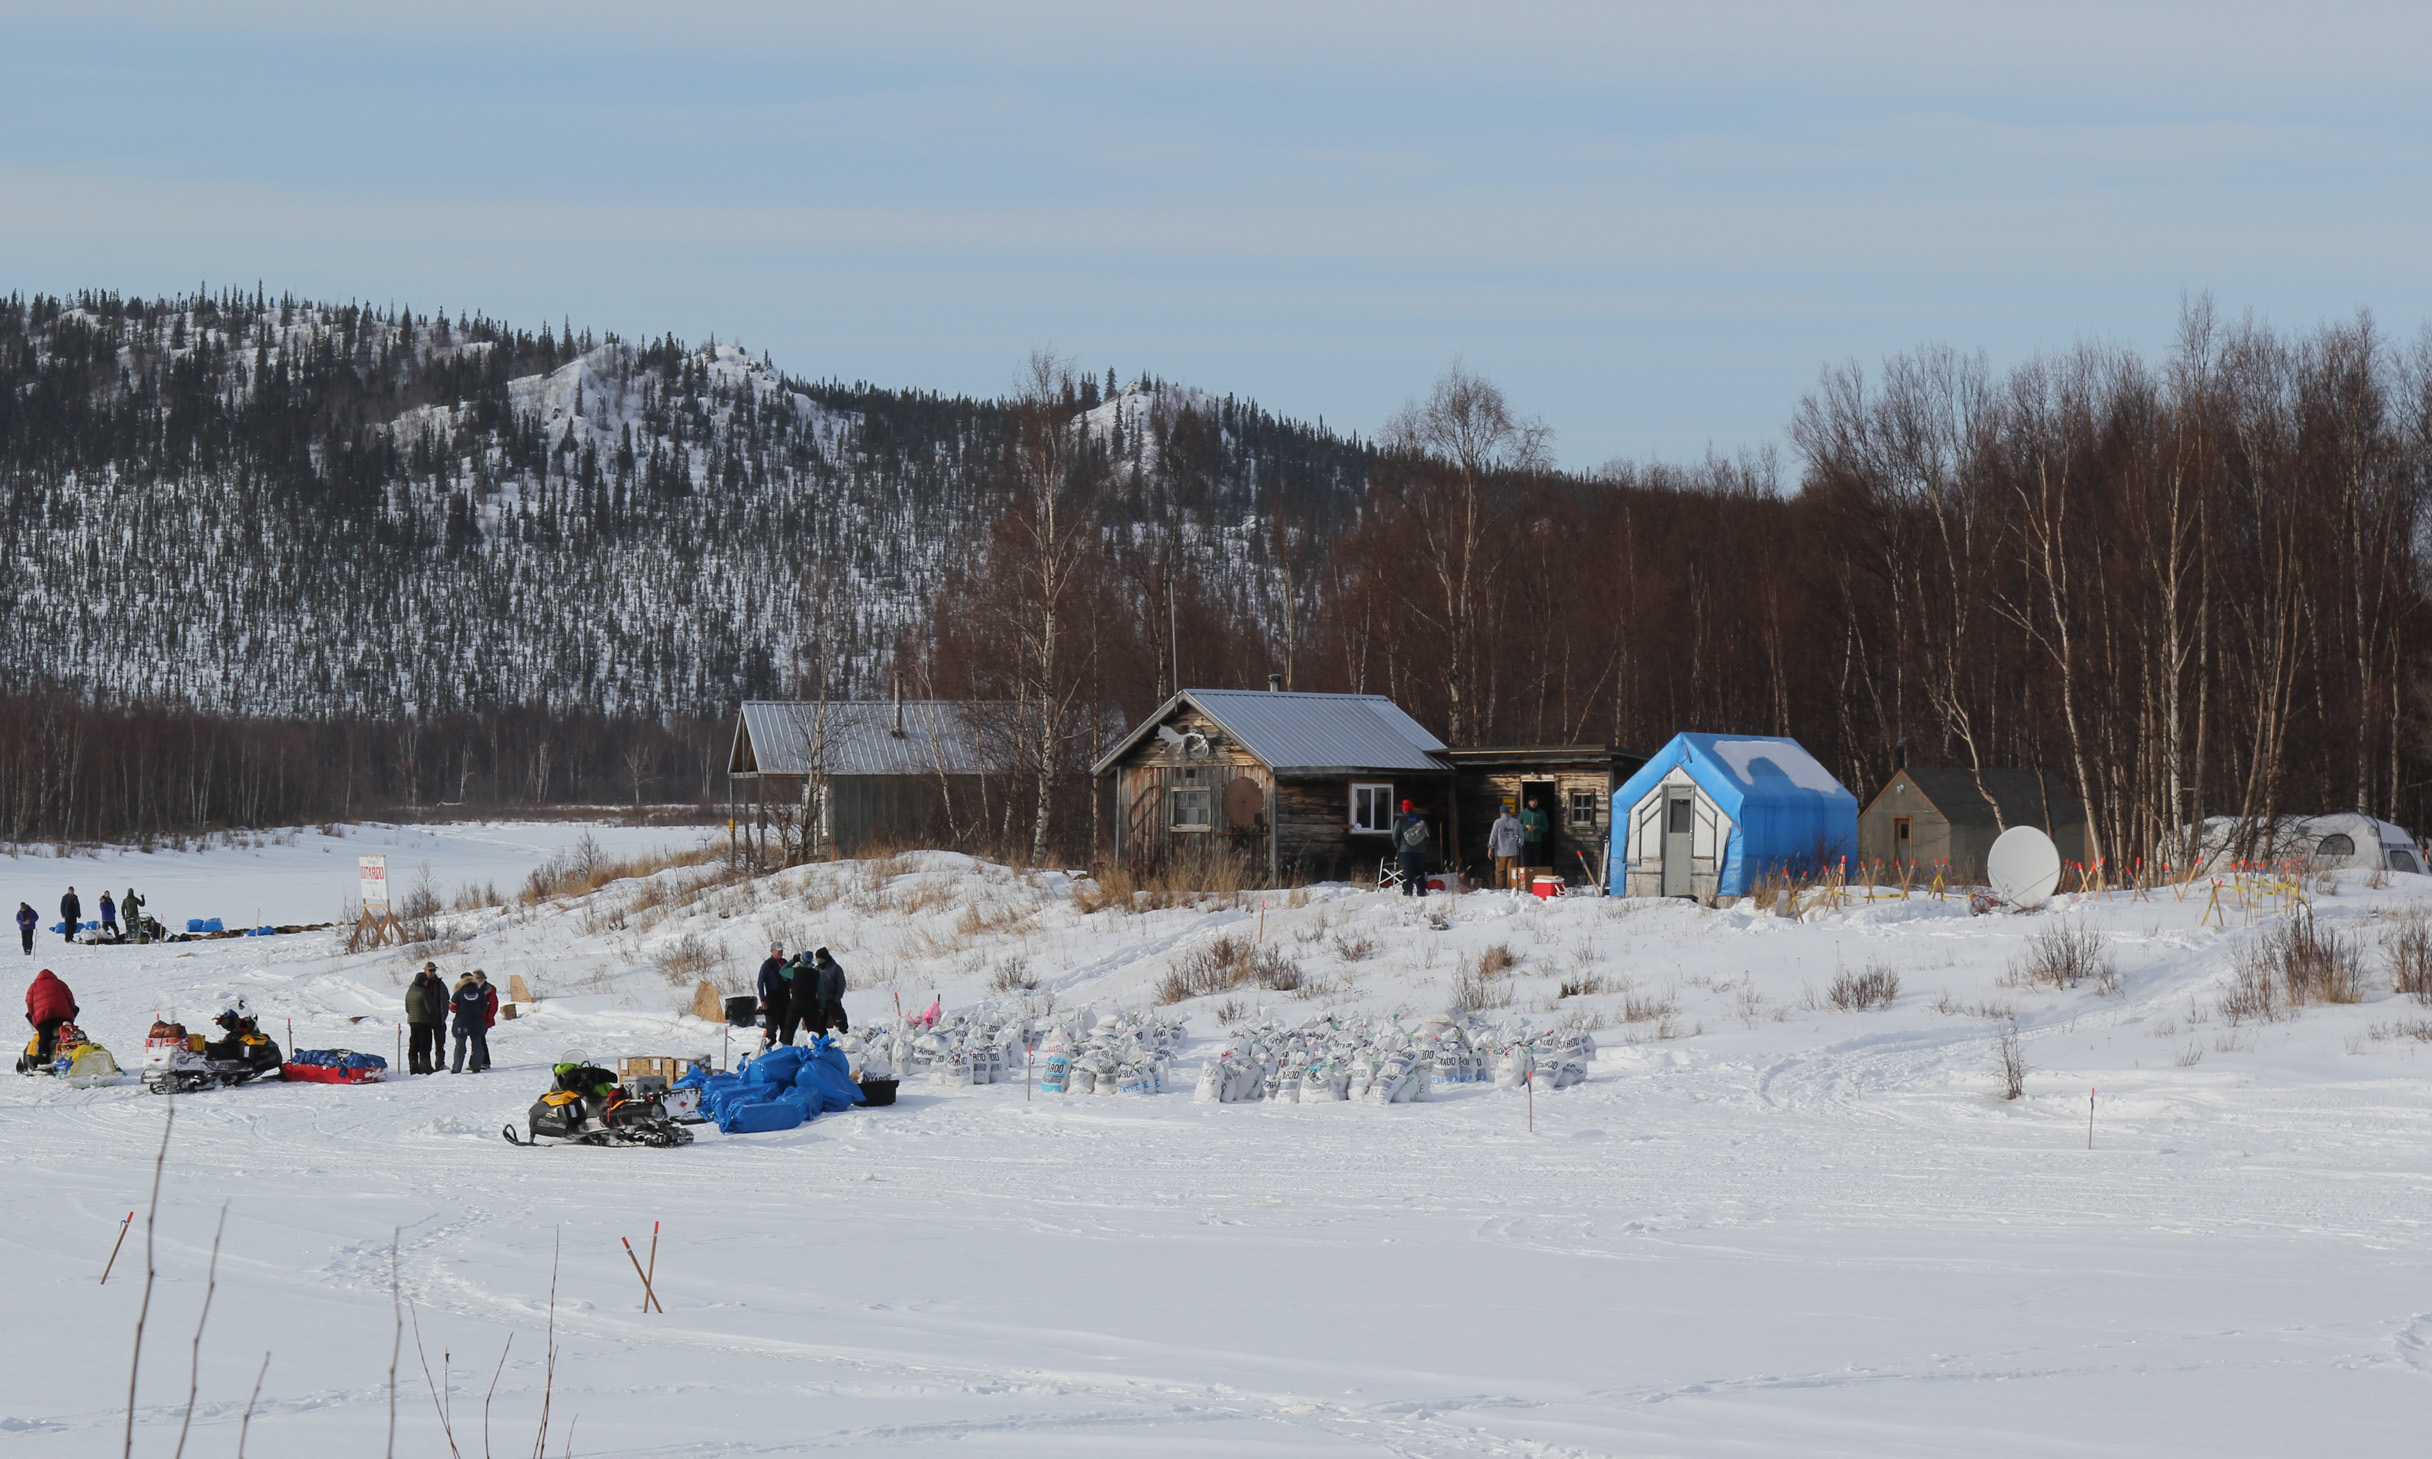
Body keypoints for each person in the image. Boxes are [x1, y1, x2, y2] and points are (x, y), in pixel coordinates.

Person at [24, 968, 76, 1064]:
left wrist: (32, 1015)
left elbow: (29, 1002)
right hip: (63, 1015)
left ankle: (44, 1059)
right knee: (68, 1034)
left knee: (44, 1037)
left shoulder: (34, 986)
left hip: (44, 1018)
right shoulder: (60, 983)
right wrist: (72, 1011)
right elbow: (70, 998)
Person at [404, 962, 447, 1074]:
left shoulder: (439, 983)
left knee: (439, 1040)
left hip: (436, 1017)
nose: (432, 972)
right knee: (422, 1043)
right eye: (430, 970)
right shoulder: (418, 987)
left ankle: (439, 1063)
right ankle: (424, 1066)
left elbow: (444, 999)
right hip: (424, 1019)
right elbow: (426, 1006)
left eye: (434, 970)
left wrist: (442, 1015)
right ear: (425, 971)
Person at [448, 971, 492, 1073]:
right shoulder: (479, 992)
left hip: (461, 1022)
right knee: (477, 1045)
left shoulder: (459, 992)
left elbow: (453, 1008)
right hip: (477, 1022)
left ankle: (456, 1068)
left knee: (460, 1045)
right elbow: (485, 1006)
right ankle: (476, 1067)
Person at [756, 943, 793, 1047]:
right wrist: (763, 1000)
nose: (780, 952)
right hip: (772, 1000)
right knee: (771, 1029)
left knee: (786, 1027)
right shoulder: (767, 965)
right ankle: (769, 1049)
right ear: (772, 951)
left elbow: (791, 979)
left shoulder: (785, 963)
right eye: (778, 950)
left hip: (785, 999)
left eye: (781, 950)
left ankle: (782, 1047)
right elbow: (760, 983)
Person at [1394, 799, 1432, 897]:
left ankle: (1407, 891)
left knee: (1407, 870)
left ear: (1404, 809)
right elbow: (1427, 834)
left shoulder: (1400, 821)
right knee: (1419, 870)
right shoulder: (1420, 820)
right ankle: (1421, 891)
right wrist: (1423, 846)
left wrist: (1399, 846)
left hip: (1405, 850)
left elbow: (1395, 836)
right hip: (1420, 851)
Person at [811, 947, 849, 1035]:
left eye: (818, 958)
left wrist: (837, 998)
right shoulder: (816, 969)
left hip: (832, 1000)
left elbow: (841, 984)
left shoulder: (835, 968)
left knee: (840, 1019)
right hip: (820, 1001)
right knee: (820, 1022)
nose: (817, 960)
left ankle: (844, 1033)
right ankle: (822, 1038)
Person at [1488, 803, 1526, 890]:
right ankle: (1511, 889)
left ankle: (1499, 889)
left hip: (1500, 851)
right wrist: (1519, 845)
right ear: (1509, 812)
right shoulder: (1516, 822)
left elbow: (1493, 836)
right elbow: (1521, 836)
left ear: (1501, 813)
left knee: (1500, 872)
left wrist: (1490, 847)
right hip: (1513, 851)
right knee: (1512, 872)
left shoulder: (1497, 822)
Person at [1519, 796, 1550, 871]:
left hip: (1537, 842)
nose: (1534, 803)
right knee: (1527, 862)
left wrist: (1537, 828)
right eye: (1532, 801)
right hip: (1526, 842)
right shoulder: (1524, 812)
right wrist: (1525, 826)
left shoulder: (1541, 813)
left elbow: (1546, 827)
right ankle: (1527, 880)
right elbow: (1517, 825)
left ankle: (1536, 880)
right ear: (1529, 802)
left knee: (1537, 863)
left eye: (1536, 801)